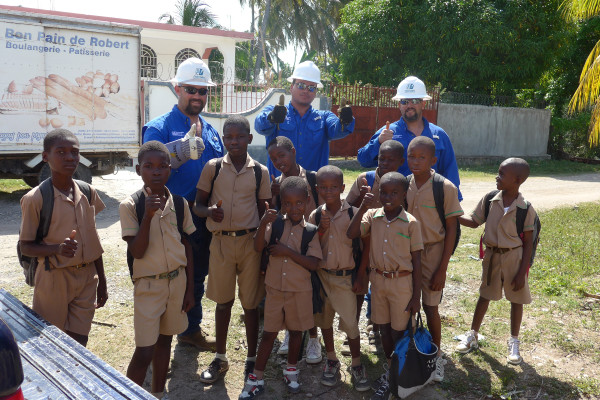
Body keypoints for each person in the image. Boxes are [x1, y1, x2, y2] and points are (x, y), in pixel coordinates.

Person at [143, 57, 222, 351]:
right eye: (191, 89)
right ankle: (159, 335)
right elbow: (148, 170)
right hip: (168, 216)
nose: (197, 96)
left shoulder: (211, 131)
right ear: (177, 88)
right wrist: (177, 152)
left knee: (197, 275)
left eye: (203, 91)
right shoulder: (158, 127)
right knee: (169, 276)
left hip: (201, 215)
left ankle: (189, 331)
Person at [193, 115, 271, 384]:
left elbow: (264, 212)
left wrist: (266, 247)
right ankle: (221, 357)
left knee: (250, 305)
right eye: (228, 137)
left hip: (251, 244)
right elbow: (198, 205)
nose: (234, 141)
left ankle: (251, 359)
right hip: (222, 244)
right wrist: (209, 212)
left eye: (239, 137)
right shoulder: (212, 167)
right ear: (223, 139)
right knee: (223, 302)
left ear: (249, 139)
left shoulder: (260, 171)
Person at [119, 141, 195, 399]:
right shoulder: (131, 206)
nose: (156, 172)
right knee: (144, 351)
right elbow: (137, 252)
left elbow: (187, 247)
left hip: (178, 282)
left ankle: (157, 394)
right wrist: (148, 216)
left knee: (166, 341)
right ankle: (128, 395)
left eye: (163, 166)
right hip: (149, 287)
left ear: (170, 169)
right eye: (149, 167)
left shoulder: (181, 204)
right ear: (139, 169)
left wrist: (190, 290)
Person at [19, 129, 107, 347]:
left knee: (80, 341)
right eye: (61, 152)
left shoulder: (88, 192)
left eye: (74, 152)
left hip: (87, 278)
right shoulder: (36, 198)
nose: (69, 157)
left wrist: (102, 281)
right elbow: (26, 247)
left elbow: (92, 239)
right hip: (53, 277)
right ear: (45, 156)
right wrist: (56, 249)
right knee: (51, 343)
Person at [240, 177, 322, 399]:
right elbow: (258, 247)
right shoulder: (275, 224)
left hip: (300, 292)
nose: (294, 208)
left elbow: (314, 263)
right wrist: (263, 222)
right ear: (282, 203)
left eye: (299, 203)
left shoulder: (311, 231)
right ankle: (256, 377)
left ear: (307, 202)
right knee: (268, 334)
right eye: (288, 203)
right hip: (275, 290)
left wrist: (287, 251)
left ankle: (291, 369)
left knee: (296, 332)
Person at [347, 172, 423, 400]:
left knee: (399, 330)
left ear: (404, 194)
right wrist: (362, 206)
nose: (388, 197)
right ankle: (391, 369)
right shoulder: (372, 215)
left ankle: (397, 375)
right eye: (384, 192)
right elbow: (351, 233)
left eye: (394, 193)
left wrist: (416, 296)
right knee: (382, 328)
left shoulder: (411, 222)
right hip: (378, 281)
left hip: (402, 283)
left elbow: (417, 262)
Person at [455, 158, 536, 365]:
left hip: (514, 257)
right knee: (485, 295)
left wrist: (521, 272)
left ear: (517, 180)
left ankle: (514, 341)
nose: (496, 177)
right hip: (492, 256)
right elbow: (474, 222)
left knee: (516, 299)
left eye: (501, 174)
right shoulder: (490, 199)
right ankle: (473, 334)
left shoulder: (526, 208)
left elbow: (528, 243)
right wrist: (452, 214)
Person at [405, 136, 463, 382]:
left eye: (422, 157)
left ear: (433, 160)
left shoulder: (445, 187)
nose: (415, 161)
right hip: (407, 253)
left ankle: (436, 356)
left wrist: (443, 268)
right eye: (411, 156)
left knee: (430, 306)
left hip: (433, 251)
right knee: (407, 304)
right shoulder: (403, 184)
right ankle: (411, 352)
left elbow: (452, 228)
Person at [307, 165, 370, 392]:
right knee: (324, 321)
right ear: (317, 189)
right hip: (322, 276)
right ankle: (331, 358)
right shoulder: (315, 214)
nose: (329, 191)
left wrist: (361, 276)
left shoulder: (354, 212)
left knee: (351, 324)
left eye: (334, 187)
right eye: (323, 187)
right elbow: (311, 245)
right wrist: (320, 230)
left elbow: (366, 245)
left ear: (343, 188)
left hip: (345, 278)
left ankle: (356, 363)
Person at [357, 76, 462, 200]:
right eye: (405, 101)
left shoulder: (439, 135)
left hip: (430, 203)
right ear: (399, 105)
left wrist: (454, 202)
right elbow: (363, 160)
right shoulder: (387, 132)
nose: (409, 105)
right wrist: (378, 142)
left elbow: (451, 172)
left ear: (423, 102)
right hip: (397, 203)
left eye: (415, 100)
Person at [266, 135, 323, 362]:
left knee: (312, 295)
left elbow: (322, 209)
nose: (279, 161)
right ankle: (292, 332)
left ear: (293, 152)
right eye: (273, 158)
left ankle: (313, 340)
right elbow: (274, 217)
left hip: (312, 244)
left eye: (282, 155)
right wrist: (273, 194)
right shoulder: (277, 183)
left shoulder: (311, 178)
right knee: (292, 294)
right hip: (287, 247)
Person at [346, 139, 406, 352]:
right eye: (382, 158)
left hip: (389, 249)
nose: (385, 163)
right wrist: (361, 201)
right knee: (359, 287)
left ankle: (375, 329)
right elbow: (347, 208)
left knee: (380, 290)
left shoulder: (403, 182)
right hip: (363, 245)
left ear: (401, 162)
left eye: (391, 160)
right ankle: (351, 331)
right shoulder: (365, 179)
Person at [255, 60, 355, 177]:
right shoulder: (275, 112)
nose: (306, 90)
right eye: (301, 85)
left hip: (312, 189)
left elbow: (337, 129)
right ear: (291, 87)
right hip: (279, 188)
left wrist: (346, 120)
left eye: (311, 87)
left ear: (316, 92)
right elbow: (260, 125)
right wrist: (271, 118)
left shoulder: (324, 117)